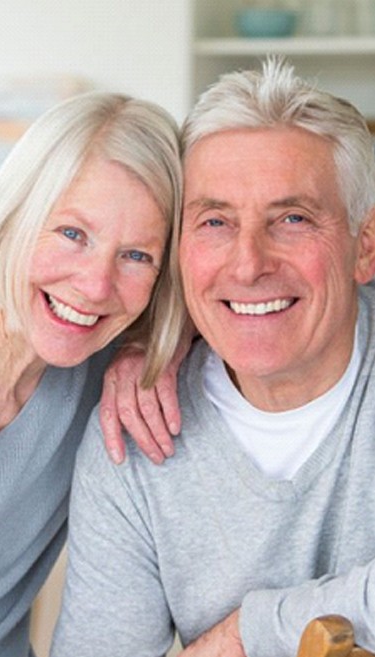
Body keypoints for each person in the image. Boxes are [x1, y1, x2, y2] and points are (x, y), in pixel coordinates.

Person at [50, 57, 375, 657]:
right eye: (216, 221)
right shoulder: (136, 436)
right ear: (179, 250)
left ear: (364, 245)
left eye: (294, 218)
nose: (248, 264)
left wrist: (252, 633)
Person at [0, 90, 183, 657]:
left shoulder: (102, 375)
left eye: (137, 256)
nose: (95, 286)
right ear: (16, 213)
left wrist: (164, 343)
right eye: (72, 234)